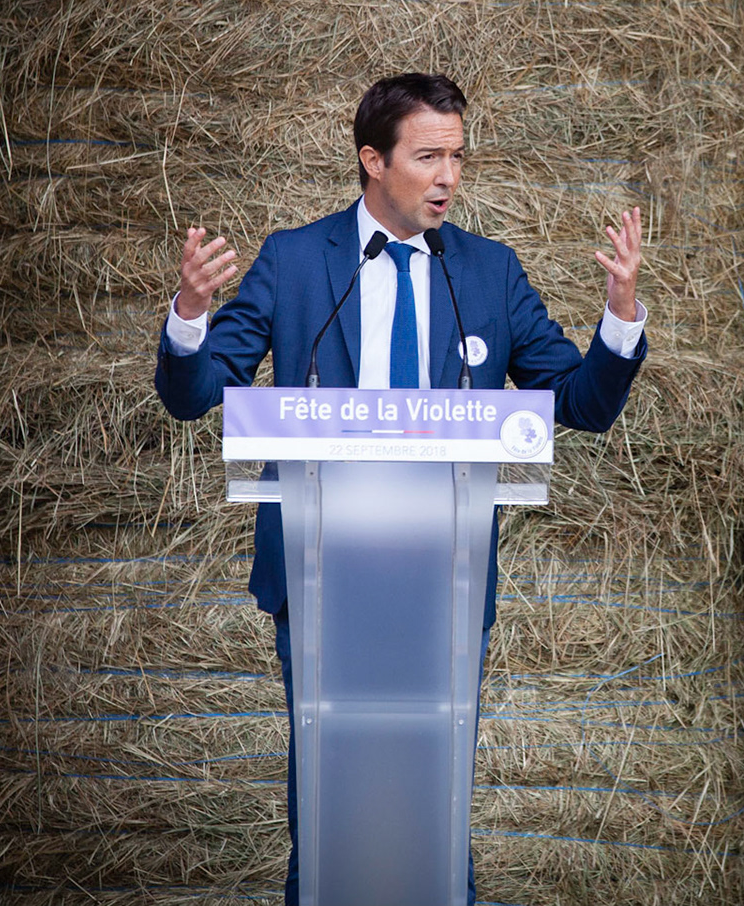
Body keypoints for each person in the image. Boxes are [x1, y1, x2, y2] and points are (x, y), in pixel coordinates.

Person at [153, 73, 647, 905]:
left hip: (442, 576)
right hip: (321, 572)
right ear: (373, 161)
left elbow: (581, 404)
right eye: (429, 157)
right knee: (329, 788)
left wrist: (620, 316)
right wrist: (189, 315)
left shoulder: (488, 273)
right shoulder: (297, 260)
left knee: (435, 783)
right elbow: (196, 395)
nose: (449, 176)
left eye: (458, 156)